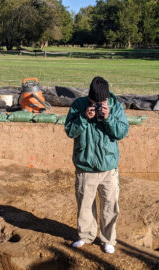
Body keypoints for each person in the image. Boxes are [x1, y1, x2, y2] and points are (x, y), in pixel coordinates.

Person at [64, 76, 129, 254]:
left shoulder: (115, 107)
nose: (99, 105)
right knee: (85, 205)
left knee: (110, 205)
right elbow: (70, 131)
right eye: (95, 102)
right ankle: (85, 236)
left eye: (102, 102)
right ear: (89, 98)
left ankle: (108, 240)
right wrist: (84, 118)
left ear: (107, 98)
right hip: (85, 167)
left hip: (108, 168)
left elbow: (122, 132)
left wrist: (108, 118)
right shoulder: (79, 105)